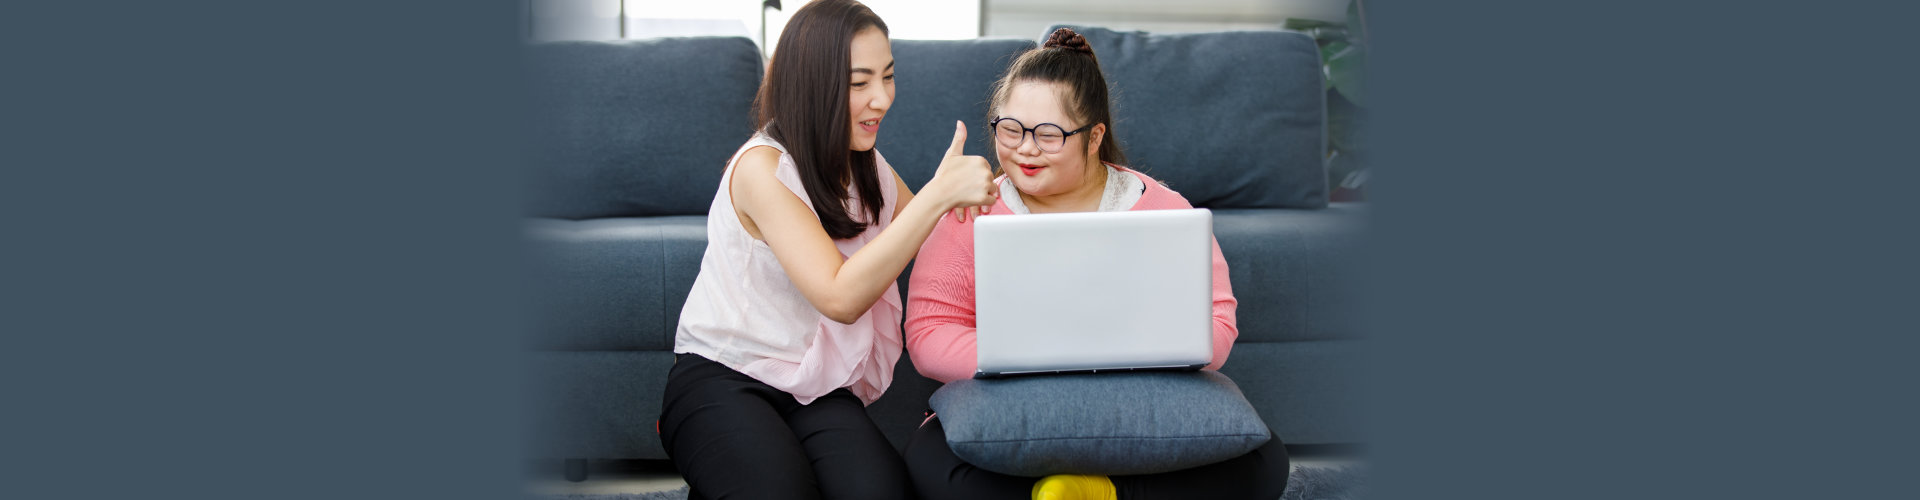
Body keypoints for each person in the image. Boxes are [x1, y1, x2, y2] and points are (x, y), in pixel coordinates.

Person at [902, 28, 1292, 500]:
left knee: (1264, 462)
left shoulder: (1165, 209)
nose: (1025, 149)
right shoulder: (968, 211)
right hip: (1010, 397)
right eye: (1010, 129)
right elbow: (929, 332)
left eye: (1048, 135)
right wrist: (1028, 359)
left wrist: (1125, 354)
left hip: (1139, 396)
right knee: (931, 461)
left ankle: (1098, 491)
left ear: (1094, 137)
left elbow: (1217, 323)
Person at [658, 1, 999, 498]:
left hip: (814, 388)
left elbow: (942, 240)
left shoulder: (867, 165)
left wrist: (1022, 195)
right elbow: (839, 296)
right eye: (860, 83)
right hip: (724, 377)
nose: (881, 99)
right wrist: (936, 196)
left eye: (888, 76)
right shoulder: (762, 168)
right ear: (812, 84)